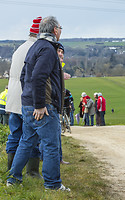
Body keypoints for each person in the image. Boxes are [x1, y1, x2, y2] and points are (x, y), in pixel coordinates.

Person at [7, 16, 70, 191]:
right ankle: (52, 184)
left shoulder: (34, 47)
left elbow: (23, 77)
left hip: (27, 104)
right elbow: (38, 77)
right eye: (60, 28)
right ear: (55, 30)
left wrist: (28, 98)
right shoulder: (48, 49)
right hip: (43, 106)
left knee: (26, 142)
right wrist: (40, 105)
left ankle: (13, 178)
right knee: (51, 144)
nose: (60, 32)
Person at [5, 17, 42, 178]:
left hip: (13, 99)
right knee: (33, 136)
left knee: (15, 134)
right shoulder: (37, 49)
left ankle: (10, 169)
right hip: (28, 99)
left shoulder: (20, 48)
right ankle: (32, 172)